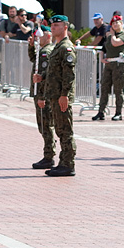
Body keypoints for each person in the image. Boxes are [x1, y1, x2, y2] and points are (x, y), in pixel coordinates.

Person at [37, 15, 76, 176]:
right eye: (52, 25)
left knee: (65, 130)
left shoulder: (66, 47)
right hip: (54, 95)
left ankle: (68, 164)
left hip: (61, 95)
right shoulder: (57, 47)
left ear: (65, 27)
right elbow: (55, 71)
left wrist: (64, 95)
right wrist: (42, 76)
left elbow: (69, 74)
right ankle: (63, 161)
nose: (53, 28)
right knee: (60, 129)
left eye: (57, 25)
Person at [92, 14, 124, 121]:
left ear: (121, 24)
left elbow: (115, 43)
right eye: (113, 23)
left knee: (118, 90)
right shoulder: (109, 35)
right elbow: (105, 47)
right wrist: (101, 57)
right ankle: (101, 112)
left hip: (120, 65)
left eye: (117, 22)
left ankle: (118, 113)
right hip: (109, 64)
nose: (115, 25)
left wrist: (111, 35)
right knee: (104, 88)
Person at [29, 26, 56, 168]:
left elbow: (44, 78)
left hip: (43, 94)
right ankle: (49, 153)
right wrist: (31, 46)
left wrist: (41, 96)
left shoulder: (46, 52)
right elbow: (34, 59)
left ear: (49, 35)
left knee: (46, 125)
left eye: (41, 35)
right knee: (43, 125)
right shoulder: (42, 51)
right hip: (40, 94)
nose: (38, 37)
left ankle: (49, 155)